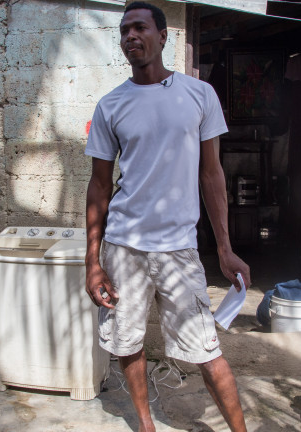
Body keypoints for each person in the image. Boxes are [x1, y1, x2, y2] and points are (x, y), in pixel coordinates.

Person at [84, 2, 251, 431]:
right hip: (123, 247)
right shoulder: (110, 105)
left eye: (140, 27)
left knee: (207, 351)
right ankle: (146, 424)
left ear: (163, 36)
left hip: (179, 250)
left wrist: (225, 249)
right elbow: (99, 186)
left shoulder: (199, 94)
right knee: (127, 342)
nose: (130, 36)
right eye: (124, 30)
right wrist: (92, 261)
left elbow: (211, 174)